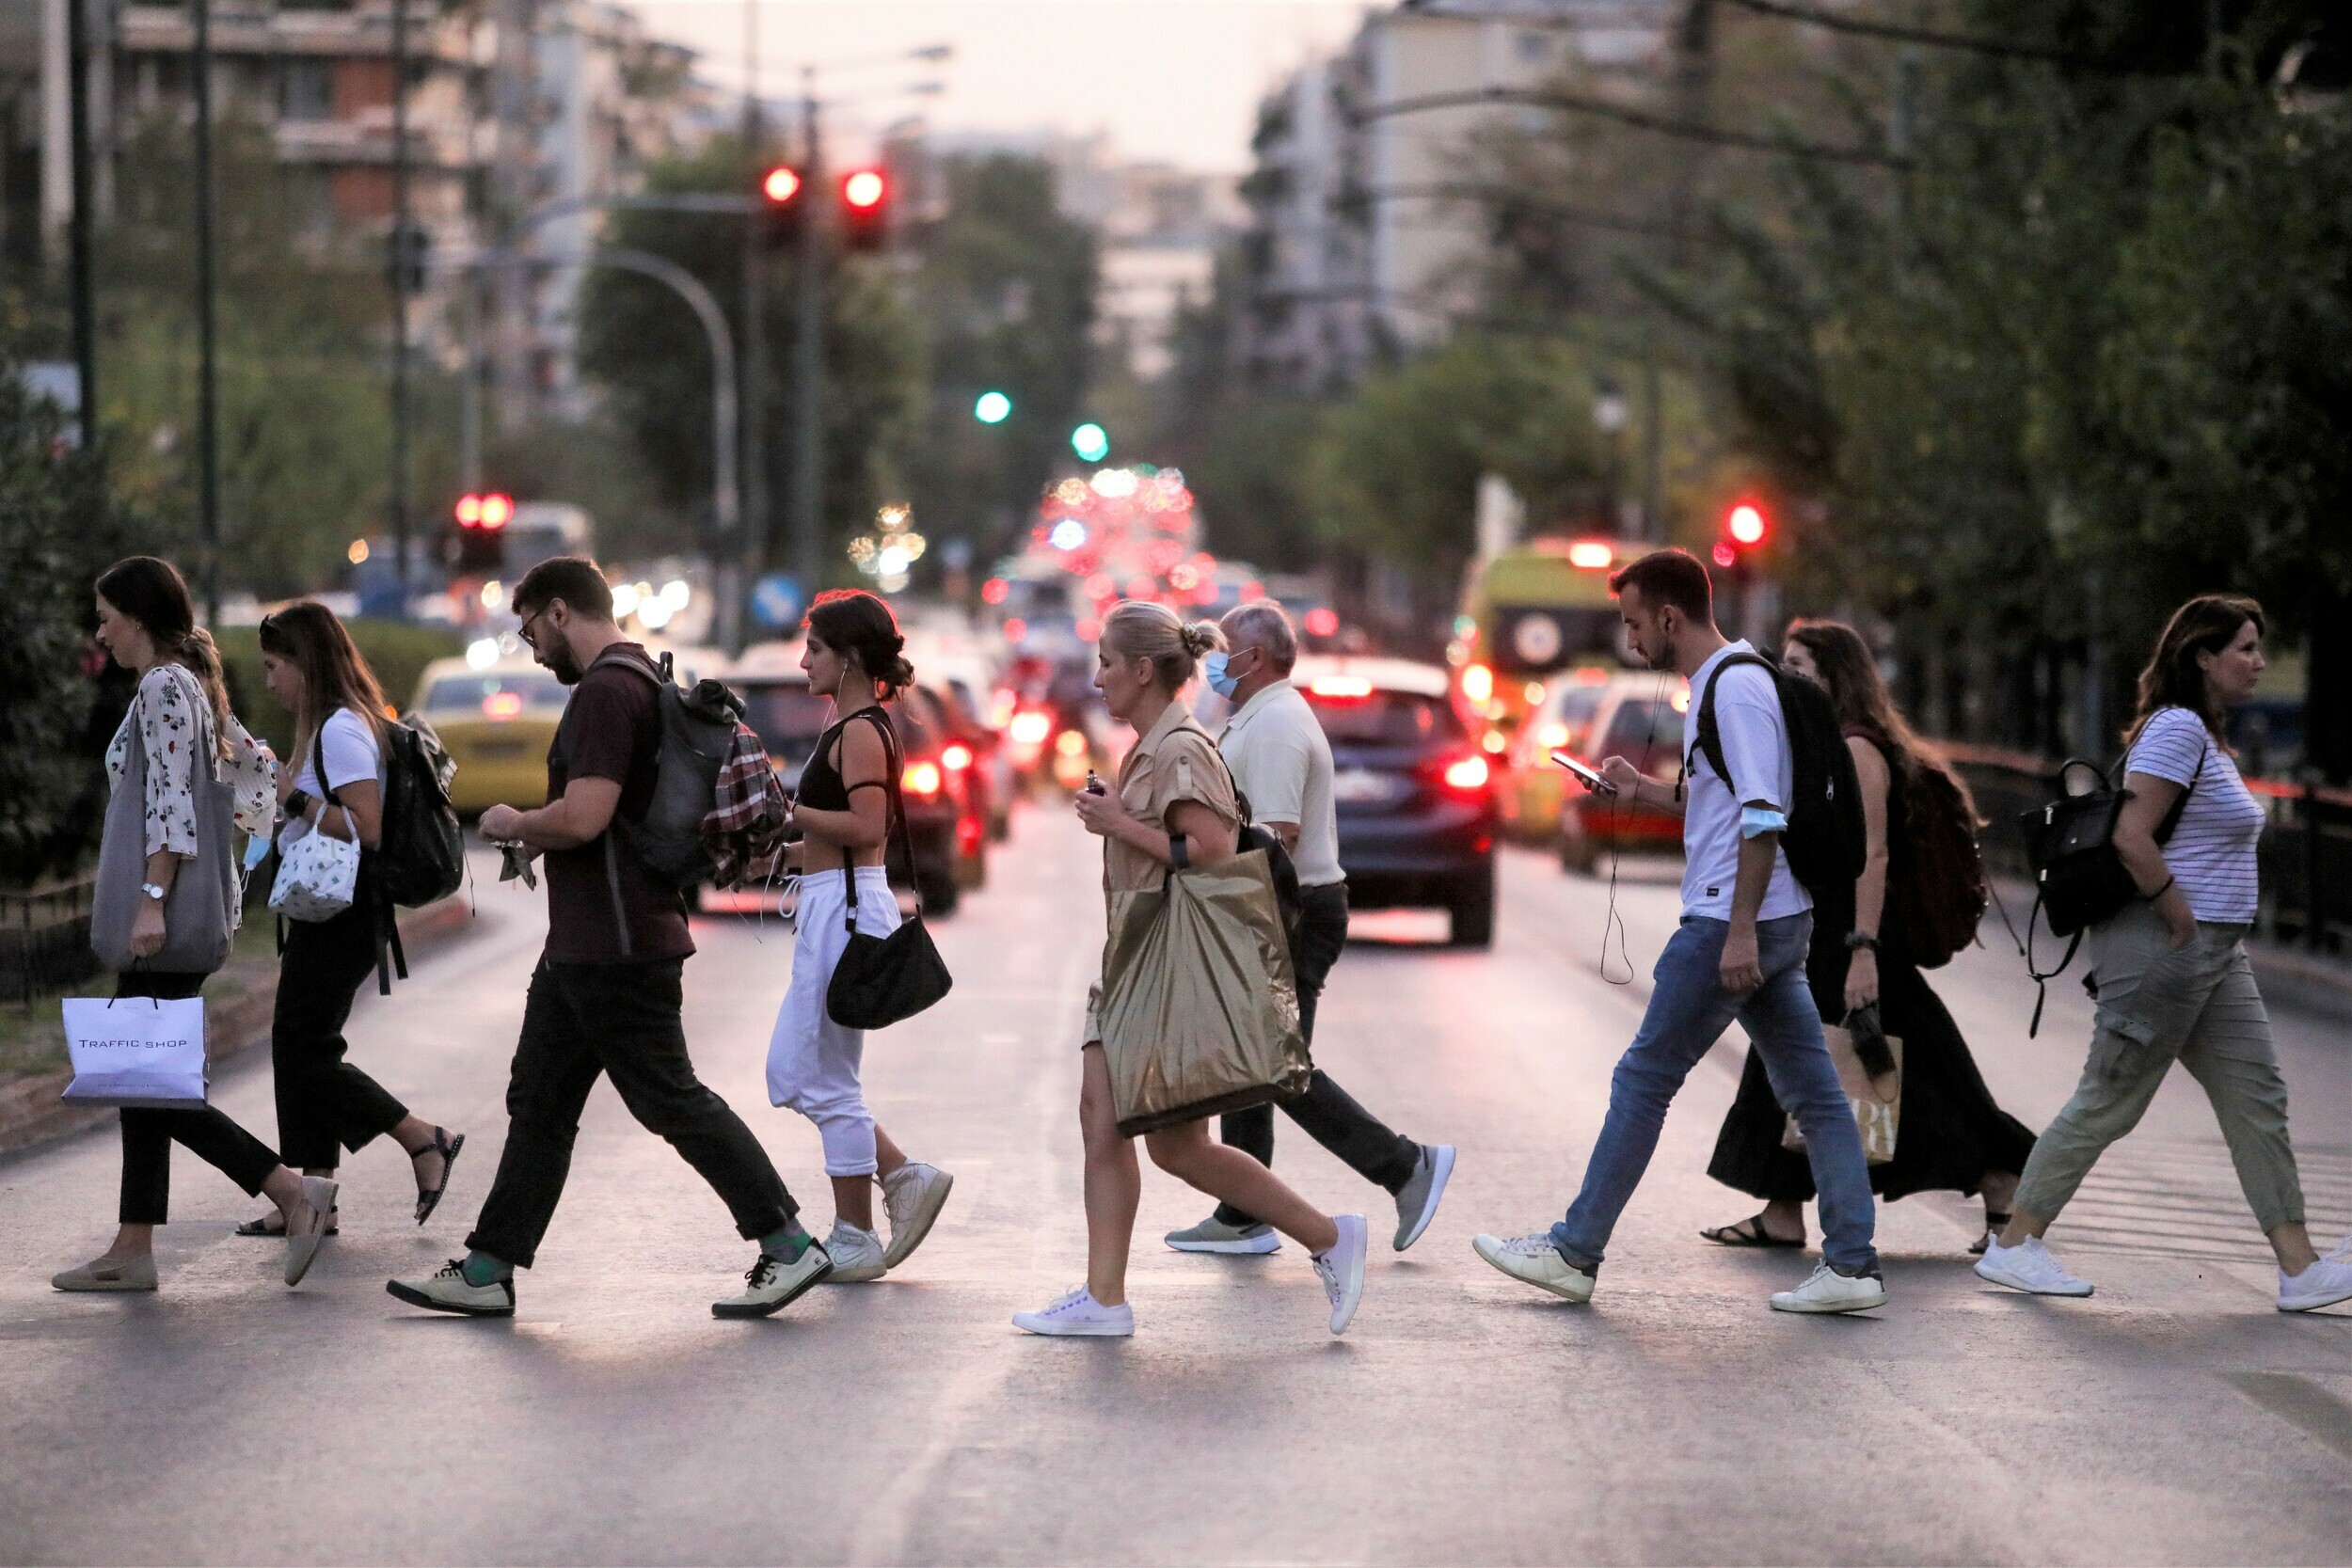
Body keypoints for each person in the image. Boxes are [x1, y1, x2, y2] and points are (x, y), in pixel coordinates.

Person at [388, 557, 821, 1319]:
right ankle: (489, 1266)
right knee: (541, 1101)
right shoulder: (640, 679)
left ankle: (786, 1241)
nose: (531, 650)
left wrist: (517, 823)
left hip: (618, 943)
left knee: (670, 1099)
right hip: (589, 942)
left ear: (561, 612)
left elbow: (586, 814)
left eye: (530, 631)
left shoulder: (605, 692)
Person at [1470, 549, 1887, 1314]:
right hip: (1768, 918)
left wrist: (1735, 935)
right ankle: (1854, 1265)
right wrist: (1645, 792)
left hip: (1738, 918)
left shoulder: (1735, 688)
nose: (1630, 640)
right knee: (1818, 1098)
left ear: (1669, 616)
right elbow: (1727, 798)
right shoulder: (1721, 686)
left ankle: (1574, 1249)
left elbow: (1764, 814)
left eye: (1634, 623)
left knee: (1644, 1078)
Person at [1977, 595, 2352, 1310]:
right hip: (2167, 942)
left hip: (2216, 952)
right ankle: (2014, 1244)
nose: (2258, 662)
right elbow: (2130, 833)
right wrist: (2178, 916)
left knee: (2256, 1098)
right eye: (2244, 647)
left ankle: (2300, 1268)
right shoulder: (2176, 729)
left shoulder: (2206, 740)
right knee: (2112, 1096)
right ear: (2203, 657)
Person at [1012, 601, 1369, 1338]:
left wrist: (1120, 826)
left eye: (1108, 662)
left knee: (1152, 1137)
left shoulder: (1180, 746)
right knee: (1138, 1132)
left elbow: (1208, 849)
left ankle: (1329, 1237)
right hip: (1141, 953)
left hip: (1166, 964)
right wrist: (1124, 815)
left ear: (1143, 669)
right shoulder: (1154, 743)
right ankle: (1106, 1297)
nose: (1099, 678)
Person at [54, 557, 340, 1293]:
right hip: (181, 909)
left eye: (106, 616)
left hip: (163, 917)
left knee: (153, 1085)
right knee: (146, 1077)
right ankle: (132, 1246)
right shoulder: (193, 683)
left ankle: (288, 1191)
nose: (101, 631)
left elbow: (172, 804)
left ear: (138, 618)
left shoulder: (161, 686)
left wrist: (154, 896)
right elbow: (257, 768)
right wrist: (239, 864)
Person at [1703, 619, 2034, 1253]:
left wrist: (1862, 950)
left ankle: (2002, 1175)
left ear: (1835, 677)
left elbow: (1873, 856)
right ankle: (1781, 1208)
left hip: (1853, 939)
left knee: (1899, 1070)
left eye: (1801, 666)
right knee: (1809, 1064)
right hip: (1831, 933)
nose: (1787, 675)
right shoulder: (1827, 742)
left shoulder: (1857, 749)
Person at [1162, 600, 1455, 1257]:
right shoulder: (1260, 717)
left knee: (1273, 1066)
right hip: (1284, 907)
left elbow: (1274, 839)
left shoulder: (1275, 727)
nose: (1213, 662)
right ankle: (1243, 1211)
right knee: (1254, 1061)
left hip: (1288, 910)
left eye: (1224, 650)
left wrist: (1232, 913)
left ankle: (1405, 1166)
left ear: (1255, 657)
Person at [230, 601, 464, 1240]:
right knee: (304, 1043)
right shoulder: (330, 725)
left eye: (276, 666)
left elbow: (366, 826)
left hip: (347, 908)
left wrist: (292, 794)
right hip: (331, 909)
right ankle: (314, 1198)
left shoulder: (341, 729)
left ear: (306, 663)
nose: (271, 680)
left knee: (303, 1048)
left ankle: (422, 1137)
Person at [763, 589, 955, 1282]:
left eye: (814, 647)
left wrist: (793, 812)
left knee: (826, 1079)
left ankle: (856, 1234)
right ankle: (902, 1177)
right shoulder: (849, 729)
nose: (803, 658)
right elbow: (842, 838)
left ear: (846, 659)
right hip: (832, 900)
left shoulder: (862, 732)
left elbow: (869, 829)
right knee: (793, 1072)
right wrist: (782, 853)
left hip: (845, 912)